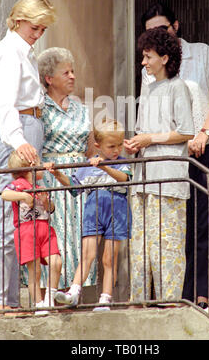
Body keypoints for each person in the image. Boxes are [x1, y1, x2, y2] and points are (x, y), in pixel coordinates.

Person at [139, 2, 209, 307]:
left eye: (163, 28)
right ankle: (183, 293)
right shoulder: (150, 67)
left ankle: (207, 293)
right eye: (151, 30)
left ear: (175, 26)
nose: (158, 34)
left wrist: (203, 132)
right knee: (183, 223)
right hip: (176, 152)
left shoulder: (201, 52)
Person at [0, 47, 96, 292]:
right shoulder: (38, 109)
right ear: (49, 79)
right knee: (48, 243)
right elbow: (15, 128)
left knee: (76, 242)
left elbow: (90, 151)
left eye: (73, 71)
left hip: (75, 184)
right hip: (48, 182)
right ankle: (45, 299)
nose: (72, 76)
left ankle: (74, 295)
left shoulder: (82, 109)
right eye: (66, 72)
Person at [0, 0, 56, 313]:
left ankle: (9, 300)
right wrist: (15, 138)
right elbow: (5, 102)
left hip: (29, 124)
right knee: (9, 216)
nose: (38, 33)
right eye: (35, 26)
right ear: (18, 20)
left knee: (22, 218)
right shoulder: (8, 51)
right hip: (21, 127)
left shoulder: (23, 51)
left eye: (42, 29)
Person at [124, 27, 194, 303]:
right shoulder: (149, 89)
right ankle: (138, 303)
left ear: (164, 58)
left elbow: (187, 131)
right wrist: (136, 143)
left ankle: (169, 304)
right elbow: (144, 131)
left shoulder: (179, 88)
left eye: (148, 56)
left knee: (168, 246)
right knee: (140, 247)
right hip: (144, 178)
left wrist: (150, 139)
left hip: (168, 179)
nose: (144, 62)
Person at [48, 118, 132, 311]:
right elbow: (74, 186)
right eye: (111, 146)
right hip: (93, 210)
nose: (116, 150)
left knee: (109, 259)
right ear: (97, 145)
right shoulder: (87, 165)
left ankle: (105, 299)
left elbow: (125, 179)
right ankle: (74, 292)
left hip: (116, 211)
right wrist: (57, 174)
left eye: (119, 145)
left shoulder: (122, 162)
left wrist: (104, 167)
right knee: (87, 254)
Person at [1, 151, 62, 315]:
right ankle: (39, 304)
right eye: (39, 163)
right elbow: (5, 194)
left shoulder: (40, 187)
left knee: (56, 262)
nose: (42, 166)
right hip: (27, 230)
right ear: (30, 167)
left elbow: (51, 208)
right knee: (34, 271)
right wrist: (23, 196)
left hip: (45, 228)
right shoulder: (19, 184)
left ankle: (49, 298)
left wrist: (46, 202)